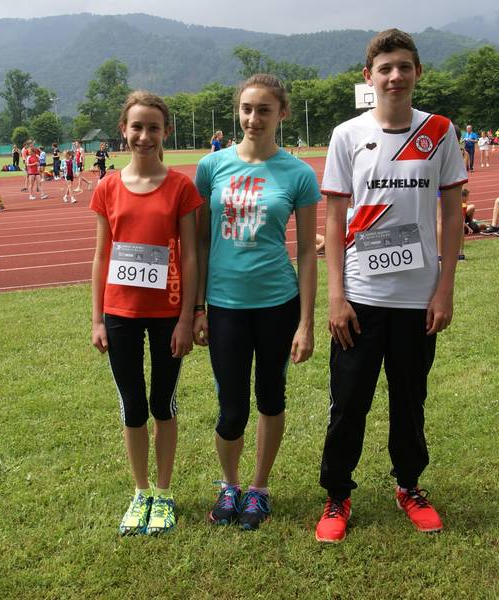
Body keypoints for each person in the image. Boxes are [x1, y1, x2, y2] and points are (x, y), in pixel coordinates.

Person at [314, 29, 466, 544]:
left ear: (417, 72)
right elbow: (334, 220)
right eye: (385, 68)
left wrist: (444, 289)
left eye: (404, 66)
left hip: (417, 299)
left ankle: (409, 485)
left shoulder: (440, 132)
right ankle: (337, 494)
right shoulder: (347, 135)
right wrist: (336, 296)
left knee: (410, 399)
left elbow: (451, 214)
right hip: (360, 297)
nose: (395, 76)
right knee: (348, 402)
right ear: (369, 77)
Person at [194, 73, 320, 531]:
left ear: (281, 113)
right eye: (247, 109)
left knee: (270, 397)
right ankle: (230, 485)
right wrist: (198, 308)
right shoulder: (212, 168)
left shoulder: (299, 174)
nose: (253, 118)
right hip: (225, 305)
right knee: (231, 409)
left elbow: (307, 252)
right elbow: (201, 245)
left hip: (277, 304)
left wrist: (306, 322)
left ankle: (259, 489)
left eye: (264, 110)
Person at [91, 90, 202, 536]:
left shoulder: (181, 188)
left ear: (165, 132)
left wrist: (187, 317)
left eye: (153, 127)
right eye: (136, 126)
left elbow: (192, 256)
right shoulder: (107, 187)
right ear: (124, 130)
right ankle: (140, 493)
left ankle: (164, 492)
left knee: (163, 403)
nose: (143, 135)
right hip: (120, 312)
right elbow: (101, 255)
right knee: (132, 407)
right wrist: (97, 317)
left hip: (166, 314)